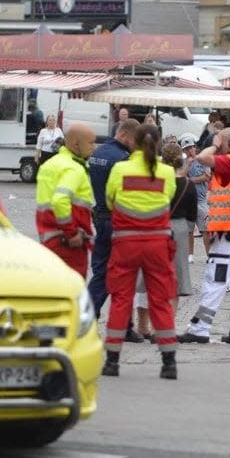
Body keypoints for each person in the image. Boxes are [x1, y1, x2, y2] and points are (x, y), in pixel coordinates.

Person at [102, 124, 179, 379]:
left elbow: (109, 201)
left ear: (132, 142)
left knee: (121, 298)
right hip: (157, 244)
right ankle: (169, 363)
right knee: (160, 299)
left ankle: (112, 361)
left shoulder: (120, 169)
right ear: (157, 144)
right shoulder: (167, 172)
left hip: (126, 243)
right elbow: (167, 198)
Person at [178, 127, 230, 345]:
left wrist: (215, 144)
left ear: (229, 144)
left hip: (229, 233)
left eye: (221, 145)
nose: (217, 151)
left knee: (215, 279)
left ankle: (201, 328)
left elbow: (202, 158)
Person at [87, 117, 144, 343]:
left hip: (100, 218)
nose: (136, 146)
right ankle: (123, 326)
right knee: (124, 275)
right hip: (118, 221)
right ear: (125, 136)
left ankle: (89, 317)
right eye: (135, 141)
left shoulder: (97, 154)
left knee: (100, 271)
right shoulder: (123, 159)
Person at [134, 142, 197, 339]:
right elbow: (192, 218)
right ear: (181, 160)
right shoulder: (187, 185)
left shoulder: (154, 180)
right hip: (177, 231)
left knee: (148, 278)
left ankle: (144, 325)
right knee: (174, 281)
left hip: (153, 227)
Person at [35, 123, 96, 277]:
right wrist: (72, 233)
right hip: (69, 244)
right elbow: (60, 200)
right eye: (90, 142)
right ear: (76, 144)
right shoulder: (74, 168)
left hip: (49, 239)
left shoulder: (50, 164)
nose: (94, 147)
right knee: (73, 293)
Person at [183, 132, 211, 259]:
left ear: (195, 147)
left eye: (192, 147)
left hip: (201, 199)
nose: (190, 150)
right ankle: (190, 254)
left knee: (206, 229)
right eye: (187, 149)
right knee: (189, 230)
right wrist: (188, 166)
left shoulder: (202, 160)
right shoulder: (183, 162)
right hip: (188, 201)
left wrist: (192, 180)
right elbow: (181, 177)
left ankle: (208, 255)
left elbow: (207, 176)